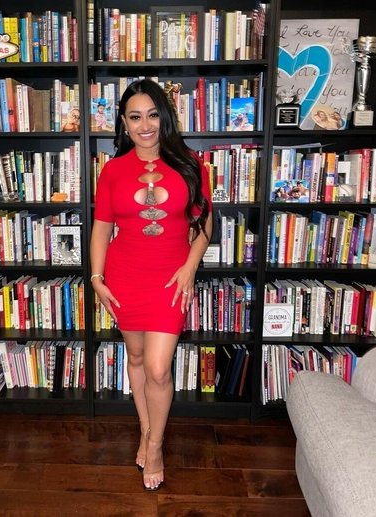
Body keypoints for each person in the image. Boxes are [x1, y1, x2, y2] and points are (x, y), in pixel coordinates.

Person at [90, 79, 212, 491]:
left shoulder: (190, 164)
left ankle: (156, 445)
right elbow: (101, 228)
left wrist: (190, 267)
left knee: (158, 369)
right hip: (124, 276)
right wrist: (96, 278)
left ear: (165, 117)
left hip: (171, 278)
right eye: (135, 117)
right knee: (137, 357)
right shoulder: (112, 171)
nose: (145, 125)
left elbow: (205, 224)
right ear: (124, 123)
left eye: (153, 115)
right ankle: (145, 428)